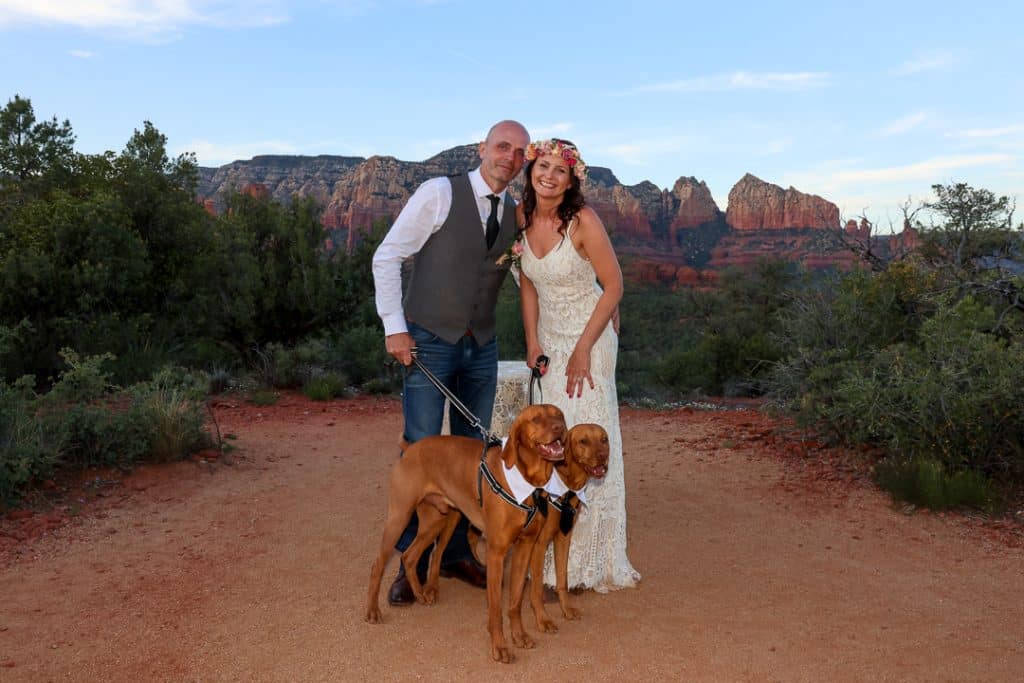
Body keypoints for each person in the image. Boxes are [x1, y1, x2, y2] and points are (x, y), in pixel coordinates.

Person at [371, 119, 531, 605]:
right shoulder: (439, 193)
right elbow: (387, 255)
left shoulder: (515, 213)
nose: (510, 156)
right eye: (503, 146)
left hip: (480, 345)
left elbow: (529, 275)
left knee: (469, 455)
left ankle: (459, 553)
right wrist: (394, 326)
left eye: (520, 152)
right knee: (421, 448)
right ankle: (408, 561)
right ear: (482, 148)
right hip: (428, 341)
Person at [516, 138, 641, 592]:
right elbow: (527, 285)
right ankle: (554, 556)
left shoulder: (583, 221)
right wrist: (532, 340)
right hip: (550, 340)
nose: (548, 175)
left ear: (571, 181)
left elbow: (613, 287)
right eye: (542, 165)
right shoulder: (521, 217)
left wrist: (586, 348)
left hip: (591, 338)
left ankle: (594, 561)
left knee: (590, 435)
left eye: (559, 170)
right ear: (531, 169)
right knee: (556, 440)